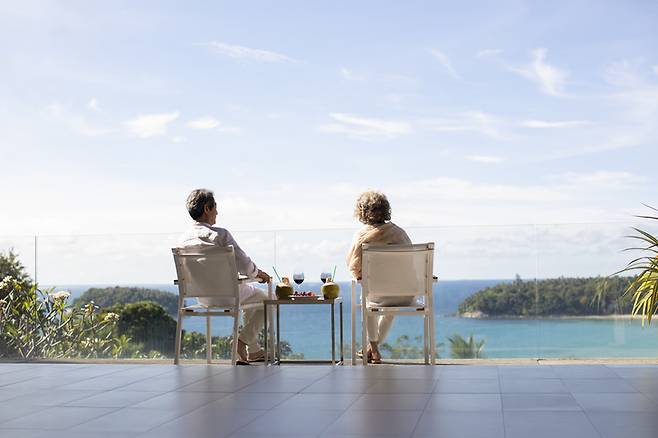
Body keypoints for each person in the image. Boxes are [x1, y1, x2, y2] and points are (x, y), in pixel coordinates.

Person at [178, 188, 271, 364]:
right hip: (229, 296)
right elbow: (246, 266)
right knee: (269, 299)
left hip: (203, 299)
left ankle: (254, 351)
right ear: (207, 208)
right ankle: (242, 342)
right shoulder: (220, 235)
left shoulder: (182, 241)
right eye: (215, 208)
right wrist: (259, 274)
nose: (217, 212)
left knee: (252, 299)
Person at [346, 190, 413, 363]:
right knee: (390, 307)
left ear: (362, 212)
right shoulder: (400, 233)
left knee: (368, 301)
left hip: (377, 293)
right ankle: (372, 349)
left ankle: (373, 349)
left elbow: (354, 267)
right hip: (404, 294)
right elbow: (410, 263)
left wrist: (361, 275)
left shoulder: (361, 236)